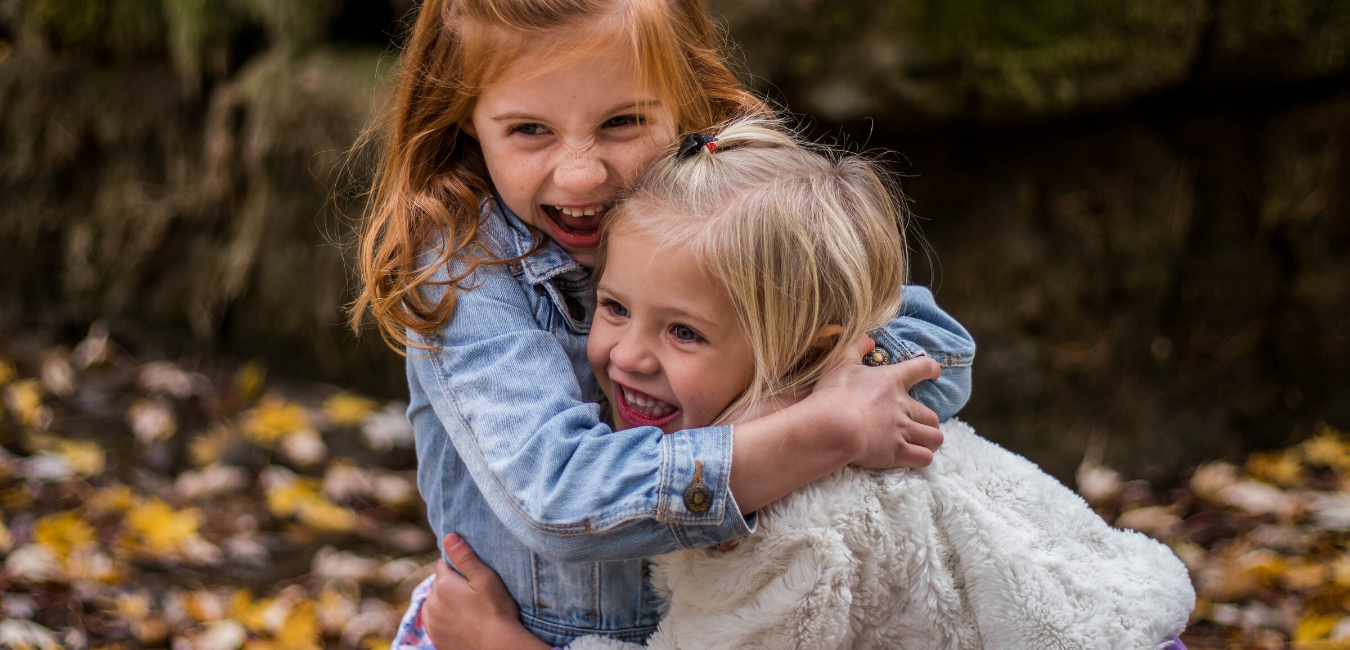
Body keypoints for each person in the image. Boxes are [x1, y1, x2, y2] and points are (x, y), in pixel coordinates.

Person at [418, 118, 1195, 650]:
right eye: (614, 306)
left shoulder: (798, 523)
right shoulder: (829, 412)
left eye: (684, 332)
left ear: (804, 349)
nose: (629, 355)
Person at [351, 0, 977, 646]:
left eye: (622, 122)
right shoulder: (462, 265)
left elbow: (936, 352)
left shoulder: (723, 212)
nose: (581, 173)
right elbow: (563, 496)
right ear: (465, 123)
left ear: (685, 99)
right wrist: (814, 431)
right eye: (529, 131)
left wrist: (778, 412)